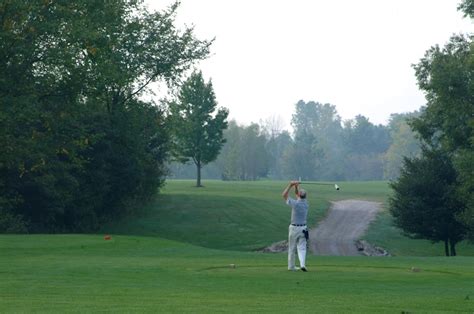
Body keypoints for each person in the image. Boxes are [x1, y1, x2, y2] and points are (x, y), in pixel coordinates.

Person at [282, 181, 309, 271]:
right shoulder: (306, 203)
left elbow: (284, 195)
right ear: (305, 196)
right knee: (302, 248)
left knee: (292, 248)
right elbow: (298, 195)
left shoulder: (295, 204)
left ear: (299, 196)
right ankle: (302, 264)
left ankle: (291, 267)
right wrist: (296, 187)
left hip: (294, 228)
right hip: (303, 228)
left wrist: (290, 185)